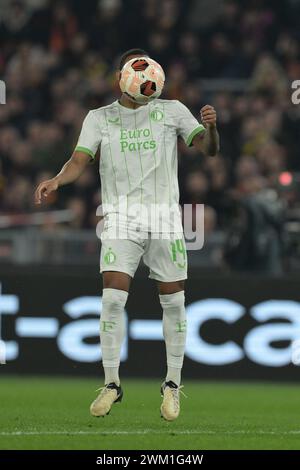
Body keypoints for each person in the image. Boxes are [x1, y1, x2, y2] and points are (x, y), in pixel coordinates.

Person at [35, 48, 219, 421]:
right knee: (112, 299)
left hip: (165, 219)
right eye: (138, 69)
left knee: (174, 303)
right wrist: (57, 180)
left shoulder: (172, 110)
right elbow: (79, 160)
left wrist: (212, 127)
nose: (145, 76)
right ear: (124, 77)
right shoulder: (99, 118)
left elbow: (209, 151)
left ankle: (171, 385)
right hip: (120, 219)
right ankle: (112, 384)